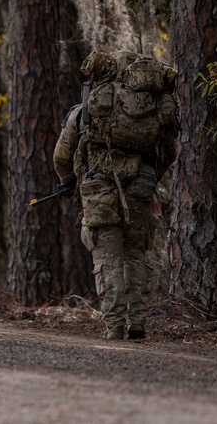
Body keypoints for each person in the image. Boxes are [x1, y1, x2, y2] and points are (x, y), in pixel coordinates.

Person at [54, 50, 178, 341]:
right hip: (141, 186)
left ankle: (113, 326)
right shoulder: (154, 107)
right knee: (135, 253)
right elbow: (167, 152)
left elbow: (61, 155)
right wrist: (147, 177)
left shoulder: (87, 108)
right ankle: (137, 323)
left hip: (98, 190)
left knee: (107, 257)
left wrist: (68, 181)